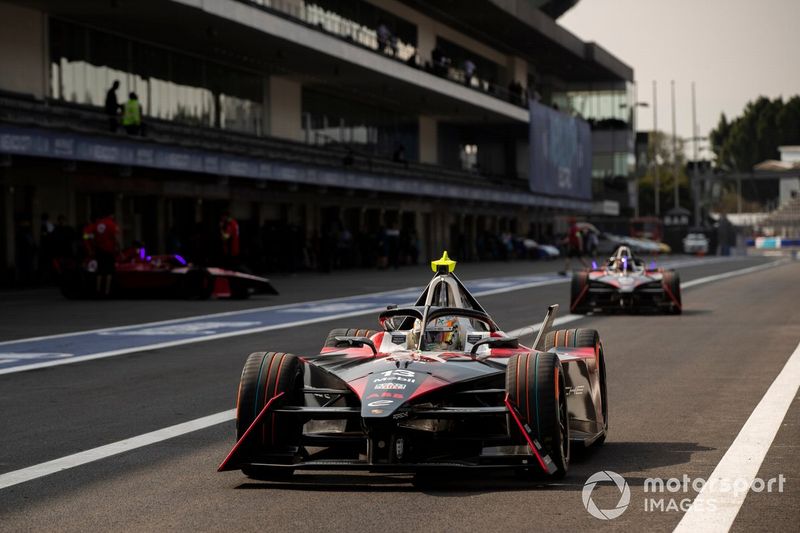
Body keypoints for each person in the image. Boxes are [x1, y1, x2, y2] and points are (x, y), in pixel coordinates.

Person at [86, 213, 119, 296]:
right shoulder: (112, 224)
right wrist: (118, 248)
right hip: (109, 250)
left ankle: (98, 291)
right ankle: (107, 291)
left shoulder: (96, 225)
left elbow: (88, 236)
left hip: (99, 250)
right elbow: (115, 237)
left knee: (100, 271)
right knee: (109, 272)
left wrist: (92, 247)